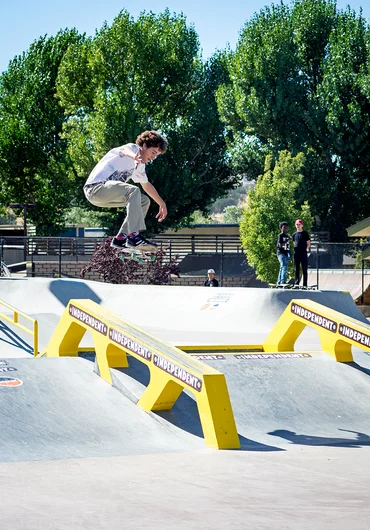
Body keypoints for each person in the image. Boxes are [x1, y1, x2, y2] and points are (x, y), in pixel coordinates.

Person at [83, 130, 168, 251]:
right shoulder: (132, 148)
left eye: (156, 156)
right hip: (95, 188)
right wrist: (134, 156)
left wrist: (161, 203)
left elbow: (146, 185)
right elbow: (124, 150)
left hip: (105, 197)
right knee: (133, 191)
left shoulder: (140, 166)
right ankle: (134, 236)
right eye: (153, 152)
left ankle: (121, 238)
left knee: (144, 201)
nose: (153, 157)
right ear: (144, 146)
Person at [292, 219, 310, 288]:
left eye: (299, 224)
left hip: (303, 253)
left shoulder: (305, 233)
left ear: (302, 225)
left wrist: (304, 250)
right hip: (296, 254)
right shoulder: (294, 234)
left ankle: (305, 284)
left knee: (304, 269)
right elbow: (294, 243)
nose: (298, 226)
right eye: (297, 224)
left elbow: (308, 244)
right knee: (296, 269)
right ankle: (296, 283)